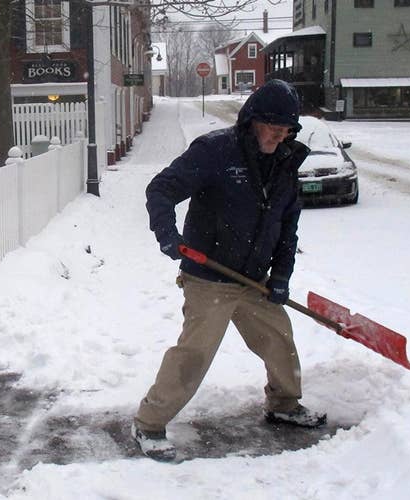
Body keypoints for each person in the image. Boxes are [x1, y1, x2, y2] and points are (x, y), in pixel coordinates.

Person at [132, 80, 326, 460]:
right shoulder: (216, 151)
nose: (278, 136)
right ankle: (149, 423)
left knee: (279, 341)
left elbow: (288, 227)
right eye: (272, 127)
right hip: (209, 277)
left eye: (286, 130)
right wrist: (167, 234)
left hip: (253, 279)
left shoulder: (286, 164)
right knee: (195, 353)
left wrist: (281, 276)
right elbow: (161, 189)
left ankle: (284, 405)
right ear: (252, 121)